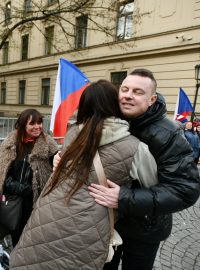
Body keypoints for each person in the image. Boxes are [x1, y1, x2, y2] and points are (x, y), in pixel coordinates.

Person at [10, 80, 158, 270]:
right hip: (88, 228)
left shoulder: (72, 133)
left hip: (47, 217)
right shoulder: (136, 147)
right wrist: (124, 194)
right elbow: (153, 187)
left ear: (84, 106)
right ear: (116, 105)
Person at [88, 69, 200, 270]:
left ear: (152, 99)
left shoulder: (168, 134)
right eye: (125, 89)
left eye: (138, 92)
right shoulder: (109, 119)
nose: (128, 95)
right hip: (107, 222)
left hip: (145, 229)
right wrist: (58, 158)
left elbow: (186, 190)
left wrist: (124, 198)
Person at [0, 109, 58, 247]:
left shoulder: (48, 144)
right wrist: (15, 186)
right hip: (13, 201)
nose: (37, 127)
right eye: (32, 123)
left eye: (39, 123)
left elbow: (57, 165)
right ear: (22, 125)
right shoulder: (10, 143)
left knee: (33, 240)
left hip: (35, 202)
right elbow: (2, 170)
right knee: (17, 237)